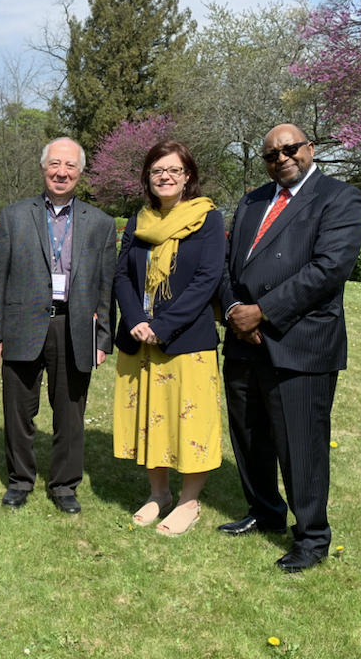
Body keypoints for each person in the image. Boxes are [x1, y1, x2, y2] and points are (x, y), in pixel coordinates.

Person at [218, 123, 361, 572]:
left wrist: (262, 312)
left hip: (299, 341)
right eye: (271, 154)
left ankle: (312, 537)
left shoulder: (340, 198)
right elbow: (226, 267)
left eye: (290, 149)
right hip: (245, 342)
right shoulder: (252, 200)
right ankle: (265, 512)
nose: (281, 157)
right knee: (249, 436)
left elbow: (328, 269)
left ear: (310, 148)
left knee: (301, 443)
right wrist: (234, 313)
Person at [0, 137, 117, 514]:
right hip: (21, 325)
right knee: (18, 410)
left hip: (74, 327)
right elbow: (2, 277)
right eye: (55, 165)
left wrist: (102, 338)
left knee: (70, 413)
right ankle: (20, 481)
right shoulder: (14, 216)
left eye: (70, 166)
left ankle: (64, 485)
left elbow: (105, 287)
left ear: (80, 172)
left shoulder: (102, 224)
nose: (62, 172)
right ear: (43, 168)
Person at [111, 140, 225, 536]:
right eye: (157, 170)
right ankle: (158, 494)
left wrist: (163, 325)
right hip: (140, 338)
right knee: (150, 418)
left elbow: (207, 278)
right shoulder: (139, 219)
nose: (165, 177)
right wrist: (137, 319)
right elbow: (122, 273)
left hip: (186, 340)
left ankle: (189, 502)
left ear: (187, 176)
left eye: (174, 170)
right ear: (147, 176)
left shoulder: (207, 217)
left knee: (189, 422)